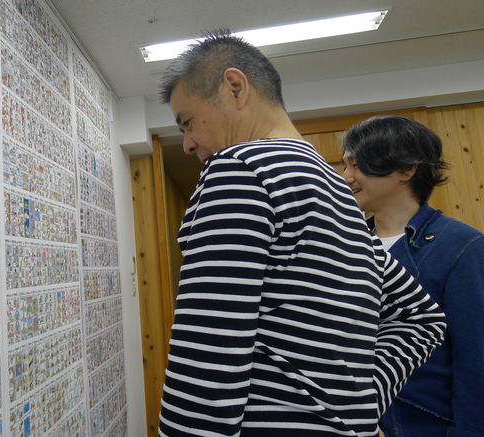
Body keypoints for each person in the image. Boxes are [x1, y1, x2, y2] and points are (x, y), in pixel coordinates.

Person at [157, 29, 446, 436]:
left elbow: (209, 351)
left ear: (235, 87)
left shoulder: (241, 169)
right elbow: (423, 318)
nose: (187, 144)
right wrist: (361, 405)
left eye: (187, 123)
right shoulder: (337, 191)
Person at [342, 115, 484, 437]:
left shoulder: (462, 246)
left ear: (407, 168)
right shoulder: (343, 246)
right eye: (345, 165)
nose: (346, 177)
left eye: (357, 165)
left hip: (421, 423)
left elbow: (476, 362)